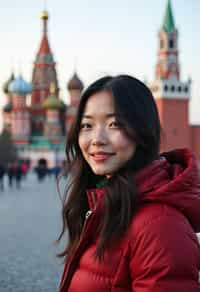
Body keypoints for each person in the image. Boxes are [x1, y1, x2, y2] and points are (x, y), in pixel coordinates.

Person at [58, 75, 200, 292]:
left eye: (114, 124)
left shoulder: (160, 226)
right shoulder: (102, 204)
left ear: (142, 130)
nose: (97, 139)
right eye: (87, 125)